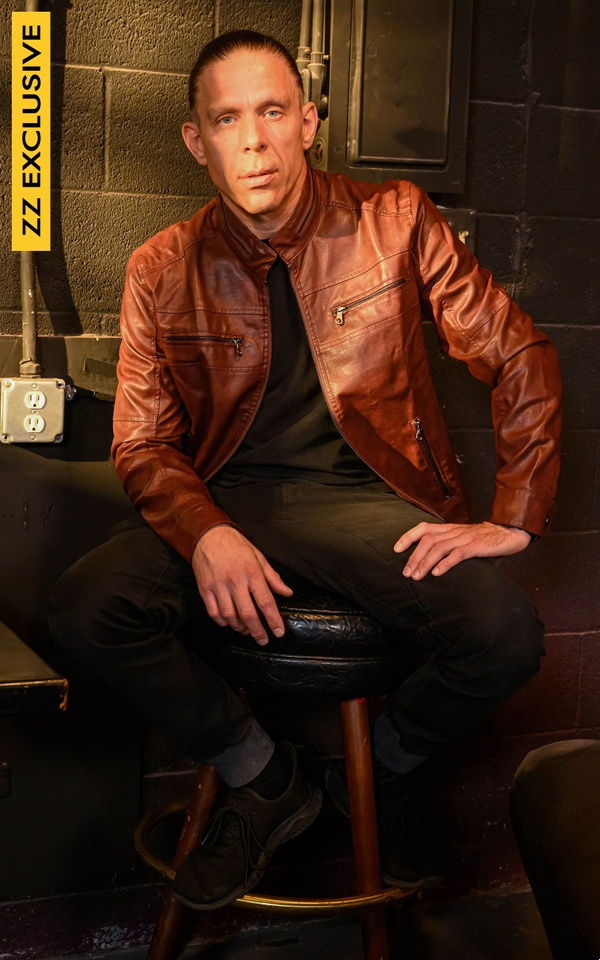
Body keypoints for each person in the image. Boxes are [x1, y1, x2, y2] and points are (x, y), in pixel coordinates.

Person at [49, 30, 562, 911]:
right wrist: (206, 534)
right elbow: (142, 442)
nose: (253, 141)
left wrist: (515, 514)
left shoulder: (395, 219)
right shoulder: (161, 267)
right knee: (85, 606)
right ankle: (265, 779)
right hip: (227, 502)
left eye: (273, 112)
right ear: (196, 140)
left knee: (506, 635)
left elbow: (518, 351)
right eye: (227, 120)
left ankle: (381, 773)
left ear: (309, 122)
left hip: (366, 505)